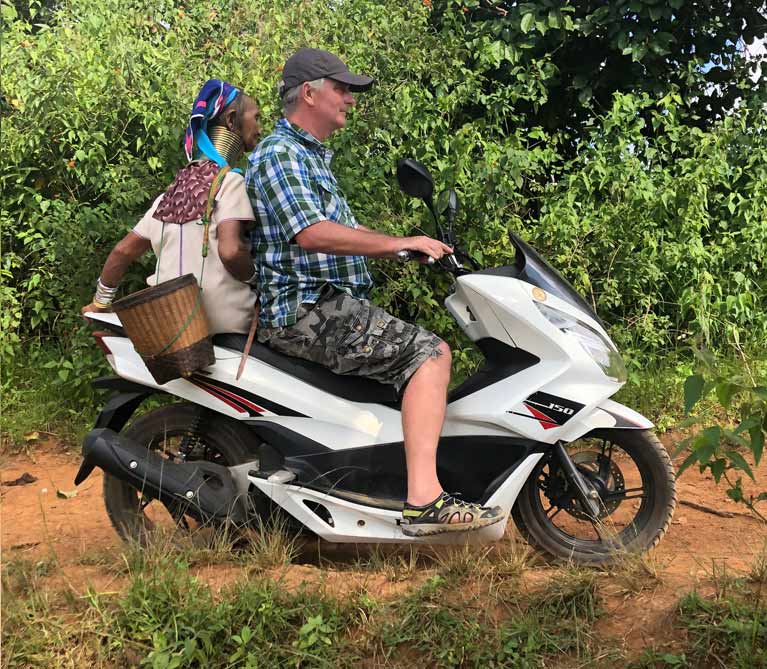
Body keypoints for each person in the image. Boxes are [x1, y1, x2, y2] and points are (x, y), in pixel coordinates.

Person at [246, 48, 503, 537]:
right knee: (430, 355)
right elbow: (312, 233)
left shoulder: (308, 157)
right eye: (341, 89)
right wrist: (395, 243)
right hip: (306, 310)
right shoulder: (280, 155)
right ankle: (424, 501)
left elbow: (341, 228)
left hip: (326, 305)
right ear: (309, 93)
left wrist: (408, 247)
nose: (349, 99)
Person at [83, 79, 262, 336]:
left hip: (171, 323)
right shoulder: (229, 182)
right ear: (232, 121)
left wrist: (100, 302)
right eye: (256, 118)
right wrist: (257, 279)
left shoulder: (171, 193)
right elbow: (231, 252)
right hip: (226, 328)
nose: (259, 127)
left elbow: (122, 251)